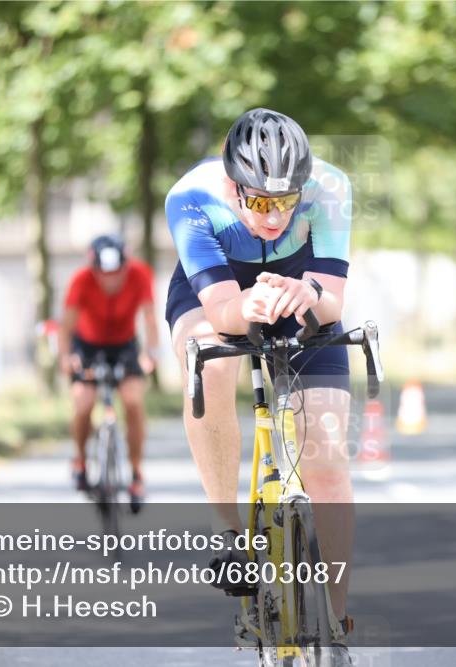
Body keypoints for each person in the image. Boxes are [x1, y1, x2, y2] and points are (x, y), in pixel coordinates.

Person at [164, 108, 354, 656]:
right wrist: (245, 306)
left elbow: (331, 298)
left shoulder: (332, 188)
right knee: (212, 362)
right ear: (231, 185)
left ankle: (336, 625)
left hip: (300, 288)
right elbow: (221, 307)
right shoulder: (191, 198)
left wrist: (310, 298)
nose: (274, 218)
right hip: (217, 291)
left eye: (286, 201)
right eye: (259, 201)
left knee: (324, 458)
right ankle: (231, 531)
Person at [57, 233, 159, 512]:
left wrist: (151, 354)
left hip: (124, 345)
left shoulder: (140, 274)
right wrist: (66, 358)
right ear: (94, 269)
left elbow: (150, 319)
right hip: (87, 345)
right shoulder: (80, 280)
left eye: (118, 273)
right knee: (83, 400)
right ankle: (79, 459)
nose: (111, 280)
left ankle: (136, 474)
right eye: (104, 274)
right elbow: (65, 327)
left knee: (133, 400)